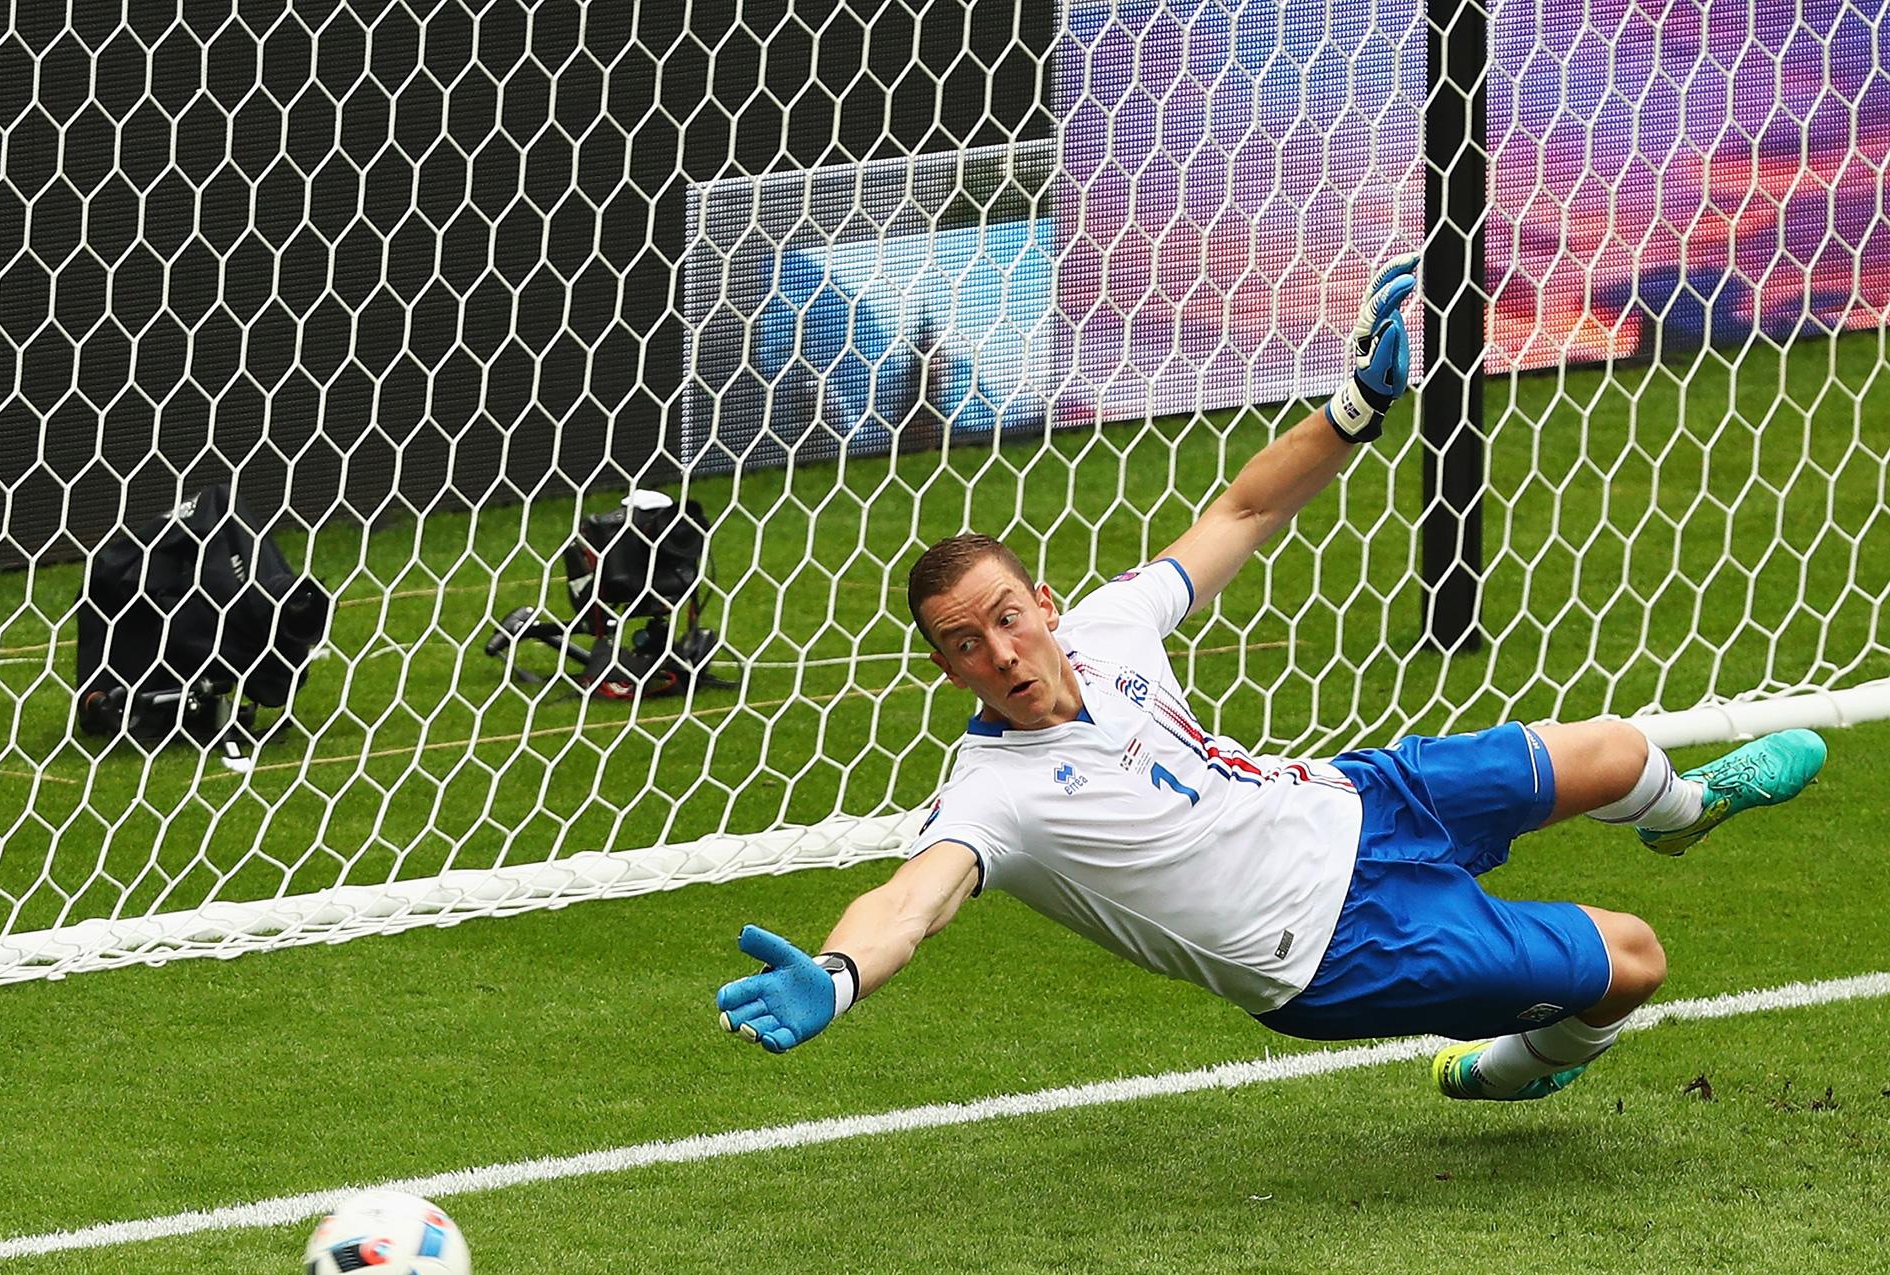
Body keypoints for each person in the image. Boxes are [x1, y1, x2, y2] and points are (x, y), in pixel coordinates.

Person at [715, 258, 1827, 1101]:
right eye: (963, 644)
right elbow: (912, 901)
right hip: (1332, 948)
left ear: (1043, 605)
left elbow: (1243, 510)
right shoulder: (990, 799)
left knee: (1625, 752)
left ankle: (1683, 817)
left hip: (1357, 799)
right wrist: (839, 973)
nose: (999, 656)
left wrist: (1354, 408)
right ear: (942, 663)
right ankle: (1515, 1068)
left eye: (1006, 620)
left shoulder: (1109, 627)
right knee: (1632, 958)